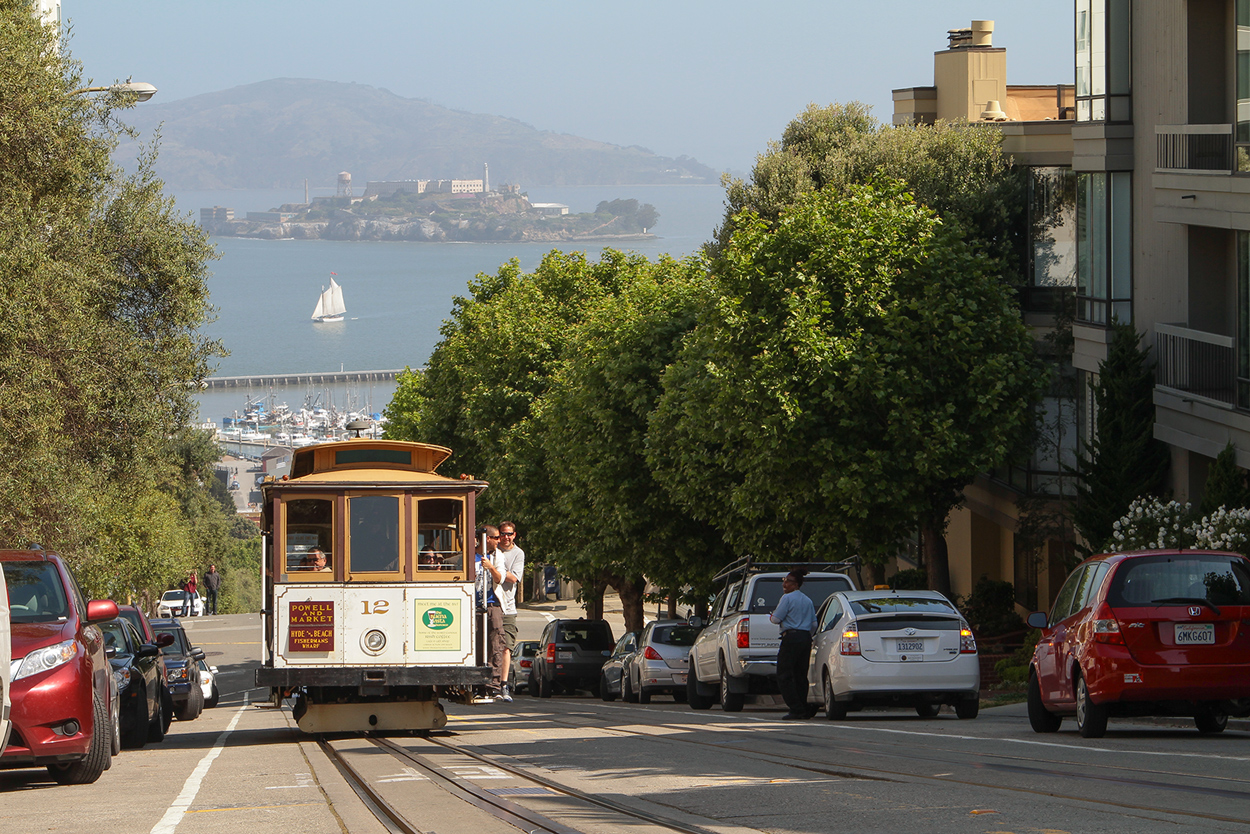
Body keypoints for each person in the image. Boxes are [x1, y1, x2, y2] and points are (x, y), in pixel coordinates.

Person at [769, 569, 817, 720]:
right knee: (800, 675)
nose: (784, 584)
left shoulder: (787, 598)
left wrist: (771, 616)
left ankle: (796, 708)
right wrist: (807, 635)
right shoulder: (807, 600)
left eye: (788, 581)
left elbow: (776, 619)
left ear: (796, 584)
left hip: (790, 638)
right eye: (784, 580)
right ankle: (803, 706)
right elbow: (814, 624)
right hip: (805, 638)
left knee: (784, 675)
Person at [495, 521, 526, 702]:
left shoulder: (518, 553)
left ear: (514, 535)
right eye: (503, 534)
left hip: (508, 607)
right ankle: (490, 682)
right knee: (490, 645)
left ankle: (504, 684)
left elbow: (514, 578)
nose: (506, 537)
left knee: (506, 646)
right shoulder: (492, 550)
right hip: (491, 604)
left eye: (509, 534)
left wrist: (496, 569)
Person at [476, 526, 507, 700]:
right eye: (496, 537)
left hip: (493, 605)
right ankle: (478, 683)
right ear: (486, 538)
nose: (499, 540)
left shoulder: (497, 556)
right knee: (477, 644)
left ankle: (494, 684)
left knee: (496, 643)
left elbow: (499, 578)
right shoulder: (470, 557)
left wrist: (490, 567)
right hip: (475, 605)